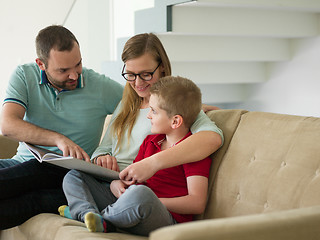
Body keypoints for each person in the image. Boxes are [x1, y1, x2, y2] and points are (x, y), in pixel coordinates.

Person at [0, 25, 123, 229]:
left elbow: (144, 105)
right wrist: (58, 139)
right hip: (20, 164)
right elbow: (7, 125)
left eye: (78, 64)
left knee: (32, 182)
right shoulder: (24, 75)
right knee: (27, 172)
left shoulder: (101, 87)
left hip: (68, 176)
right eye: (63, 70)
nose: (74, 75)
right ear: (41, 64)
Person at [63, 76, 213, 235]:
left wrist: (154, 201)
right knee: (74, 175)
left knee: (142, 195)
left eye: (154, 111)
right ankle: (87, 214)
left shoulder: (192, 152)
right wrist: (116, 184)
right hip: (130, 205)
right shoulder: (150, 141)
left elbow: (197, 203)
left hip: (163, 217)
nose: (148, 115)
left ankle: (94, 217)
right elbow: (131, 180)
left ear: (175, 121)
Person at [91, 33, 223, 180]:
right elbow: (103, 149)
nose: (138, 83)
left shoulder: (177, 104)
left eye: (146, 74)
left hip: (138, 185)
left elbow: (213, 139)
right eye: (130, 75)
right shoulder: (125, 104)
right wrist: (101, 157)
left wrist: (152, 163)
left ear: (162, 68)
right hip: (111, 180)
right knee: (73, 176)